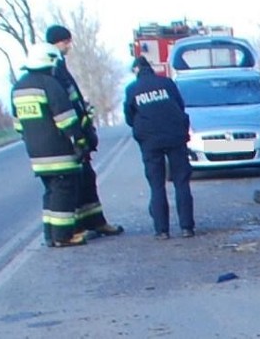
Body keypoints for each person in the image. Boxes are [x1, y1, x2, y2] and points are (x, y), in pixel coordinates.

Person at [45, 24, 124, 238]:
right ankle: (76, 228)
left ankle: (95, 221)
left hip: (77, 129)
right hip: (68, 135)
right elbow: (61, 104)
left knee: (87, 178)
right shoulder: (52, 67)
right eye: (66, 41)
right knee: (75, 184)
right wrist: (76, 133)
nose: (69, 46)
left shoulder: (59, 65)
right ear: (58, 42)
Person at [11, 43, 89, 247]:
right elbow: (66, 119)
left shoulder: (18, 88)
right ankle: (63, 236)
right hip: (59, 151)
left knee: (51, 192)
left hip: (36, 153)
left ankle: (50, 235)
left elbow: (18, 125)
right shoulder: (50, 84)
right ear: (51, 62)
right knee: (64, 191)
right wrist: (80, 140)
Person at [123, 55, 195, 239]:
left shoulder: (132, 89)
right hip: (175, 137)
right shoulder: (167, 83)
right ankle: (187, 227)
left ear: (136, 70)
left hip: (150, 141)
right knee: (181, 182)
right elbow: (180, 105)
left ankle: (161, 230)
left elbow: (129, 117)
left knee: (157, 186)